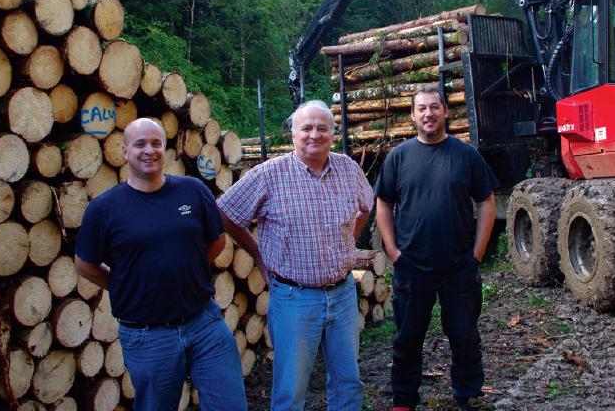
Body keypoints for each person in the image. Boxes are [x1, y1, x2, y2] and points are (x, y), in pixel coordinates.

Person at [75, 118, 247, 411]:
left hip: (205, 324)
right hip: (148, 336)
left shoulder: (193, 191)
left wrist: (190, 268)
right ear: (125, 151)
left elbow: (217, 240)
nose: (149, 150)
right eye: (139, 144)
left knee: (230, 406)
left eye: (156, 143)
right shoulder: (104, 209)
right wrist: (125, 284)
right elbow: (85, 264)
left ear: (164, 148)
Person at [217, 100, 373, 411]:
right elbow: (225, 213)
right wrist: (258, 255)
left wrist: (348, 242)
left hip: (342, 294)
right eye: (307, 128)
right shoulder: (269, 174)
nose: (315, 134)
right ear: (293, 134)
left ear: (332, 134)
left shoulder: (347, 168)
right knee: (291, 389)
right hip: (293, 298)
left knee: (348, 382)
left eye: (322, 128)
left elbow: (366, 207)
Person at [374, 88, 498, 411]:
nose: (428, 114)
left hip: (459, 266)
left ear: (445, 111)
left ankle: (468, 394)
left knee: (464, 335)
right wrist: (392, 251)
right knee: (407, 338)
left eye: (434, 107)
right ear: (412, 116)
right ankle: (404, 400)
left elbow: (486, 201)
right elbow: (383, 203)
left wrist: (478, 252)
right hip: (412, 266)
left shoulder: (466, 154)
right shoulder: (399, 157)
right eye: (421, 109)